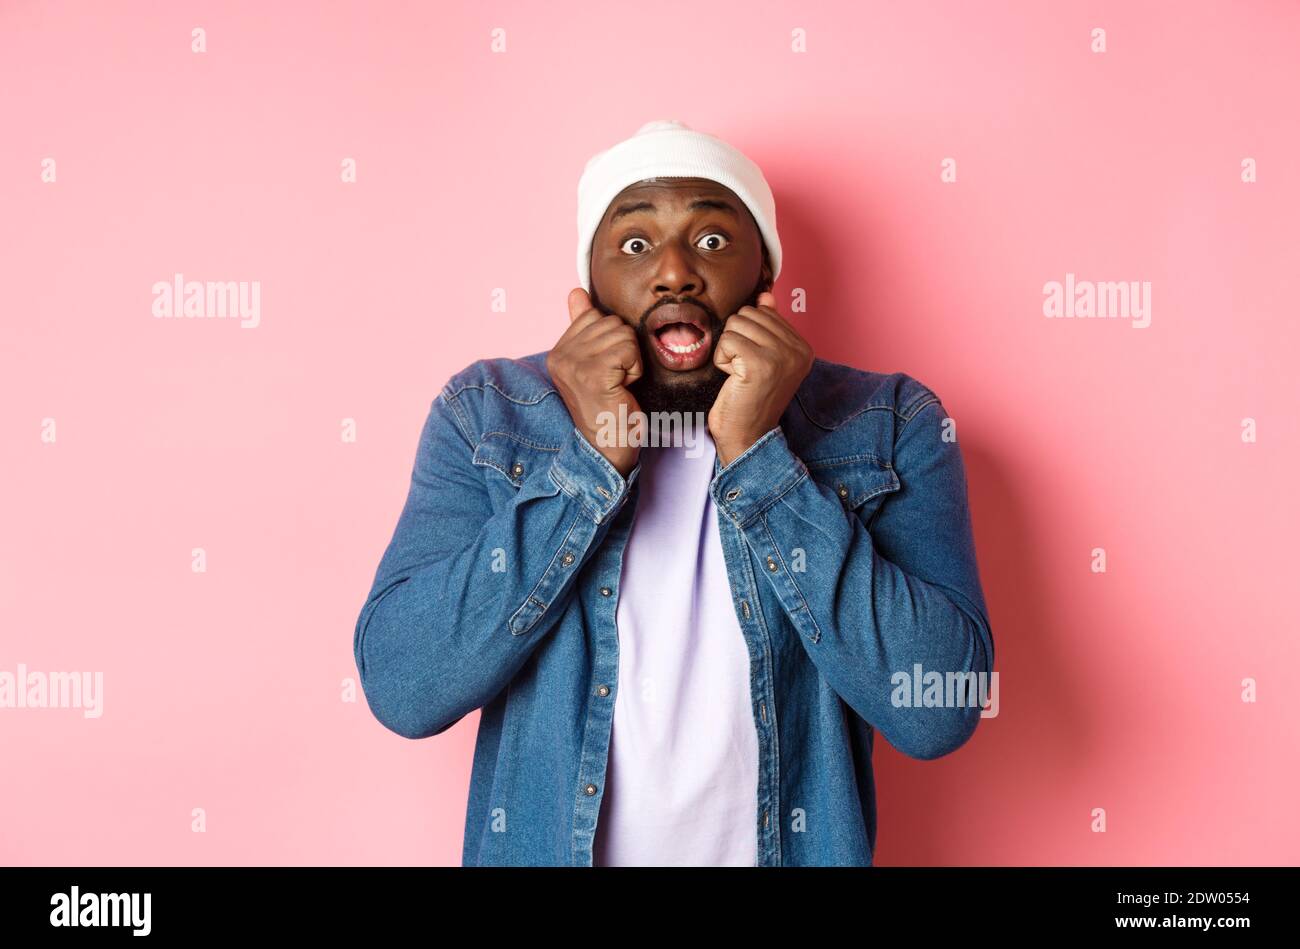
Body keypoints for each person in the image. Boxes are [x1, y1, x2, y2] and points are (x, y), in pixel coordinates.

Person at [352, 119, 995, 866]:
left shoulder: (887, 423)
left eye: (714, 241)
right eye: (634, 244)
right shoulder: (489, 414)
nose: (675, 273)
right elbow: (405, 688)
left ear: (764, 278)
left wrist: (760, 460)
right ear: (588, 289)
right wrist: (591, 463)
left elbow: (940, 709)